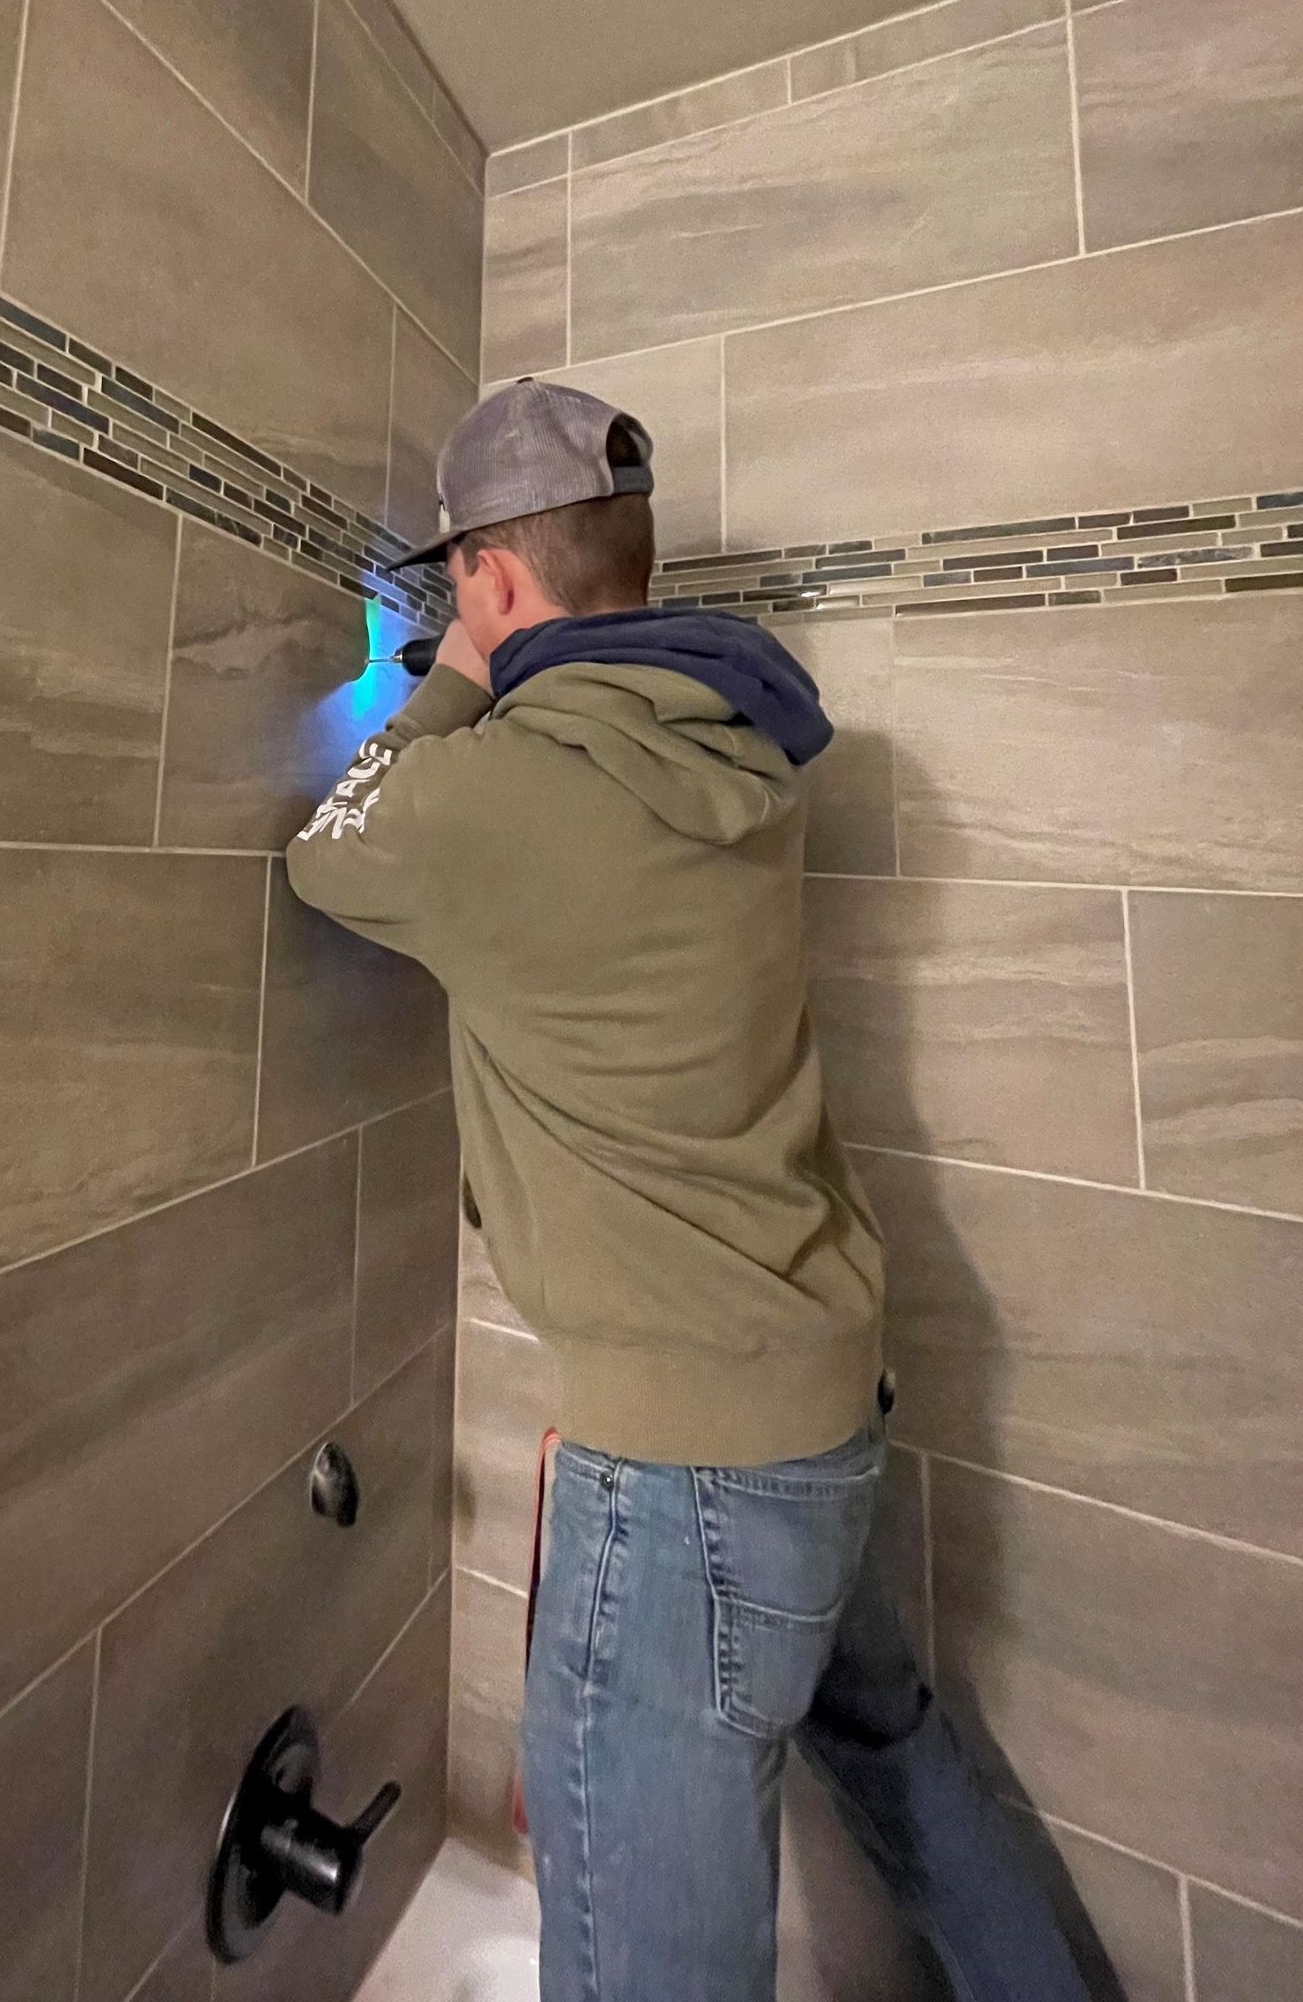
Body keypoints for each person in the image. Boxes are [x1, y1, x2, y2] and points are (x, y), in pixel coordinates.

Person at [286, 381, 1098, 2002]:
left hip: (688, 1480)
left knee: (648, 1963)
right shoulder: (738, 748)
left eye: (465, 580)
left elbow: (328, 847)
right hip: (821, 1393)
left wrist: (452, 674)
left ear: (495, 580)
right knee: (903, 1759)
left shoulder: (489, 793)